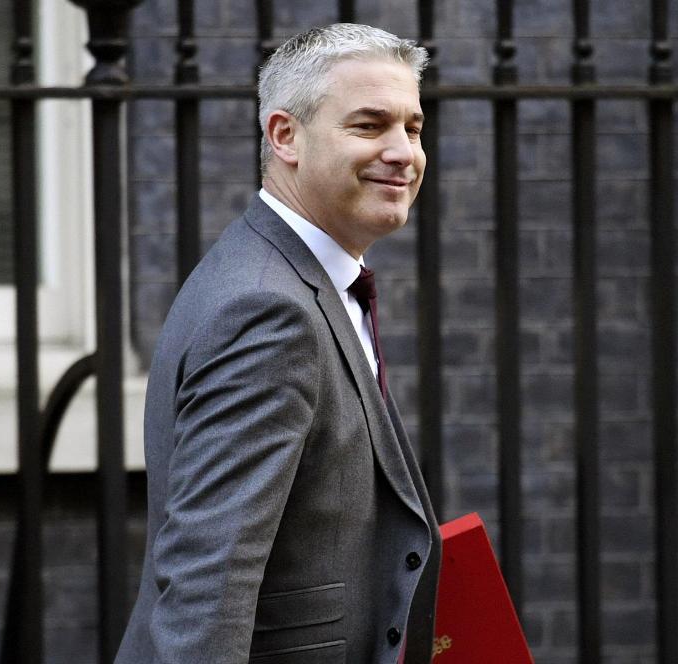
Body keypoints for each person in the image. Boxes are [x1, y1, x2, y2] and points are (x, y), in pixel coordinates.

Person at [115, 23, 440, 664]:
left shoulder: (294, 277)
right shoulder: (267, 309)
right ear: (284, 136)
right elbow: (211, 578)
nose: (404, 151)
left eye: (414, 127)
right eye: (370, 126)